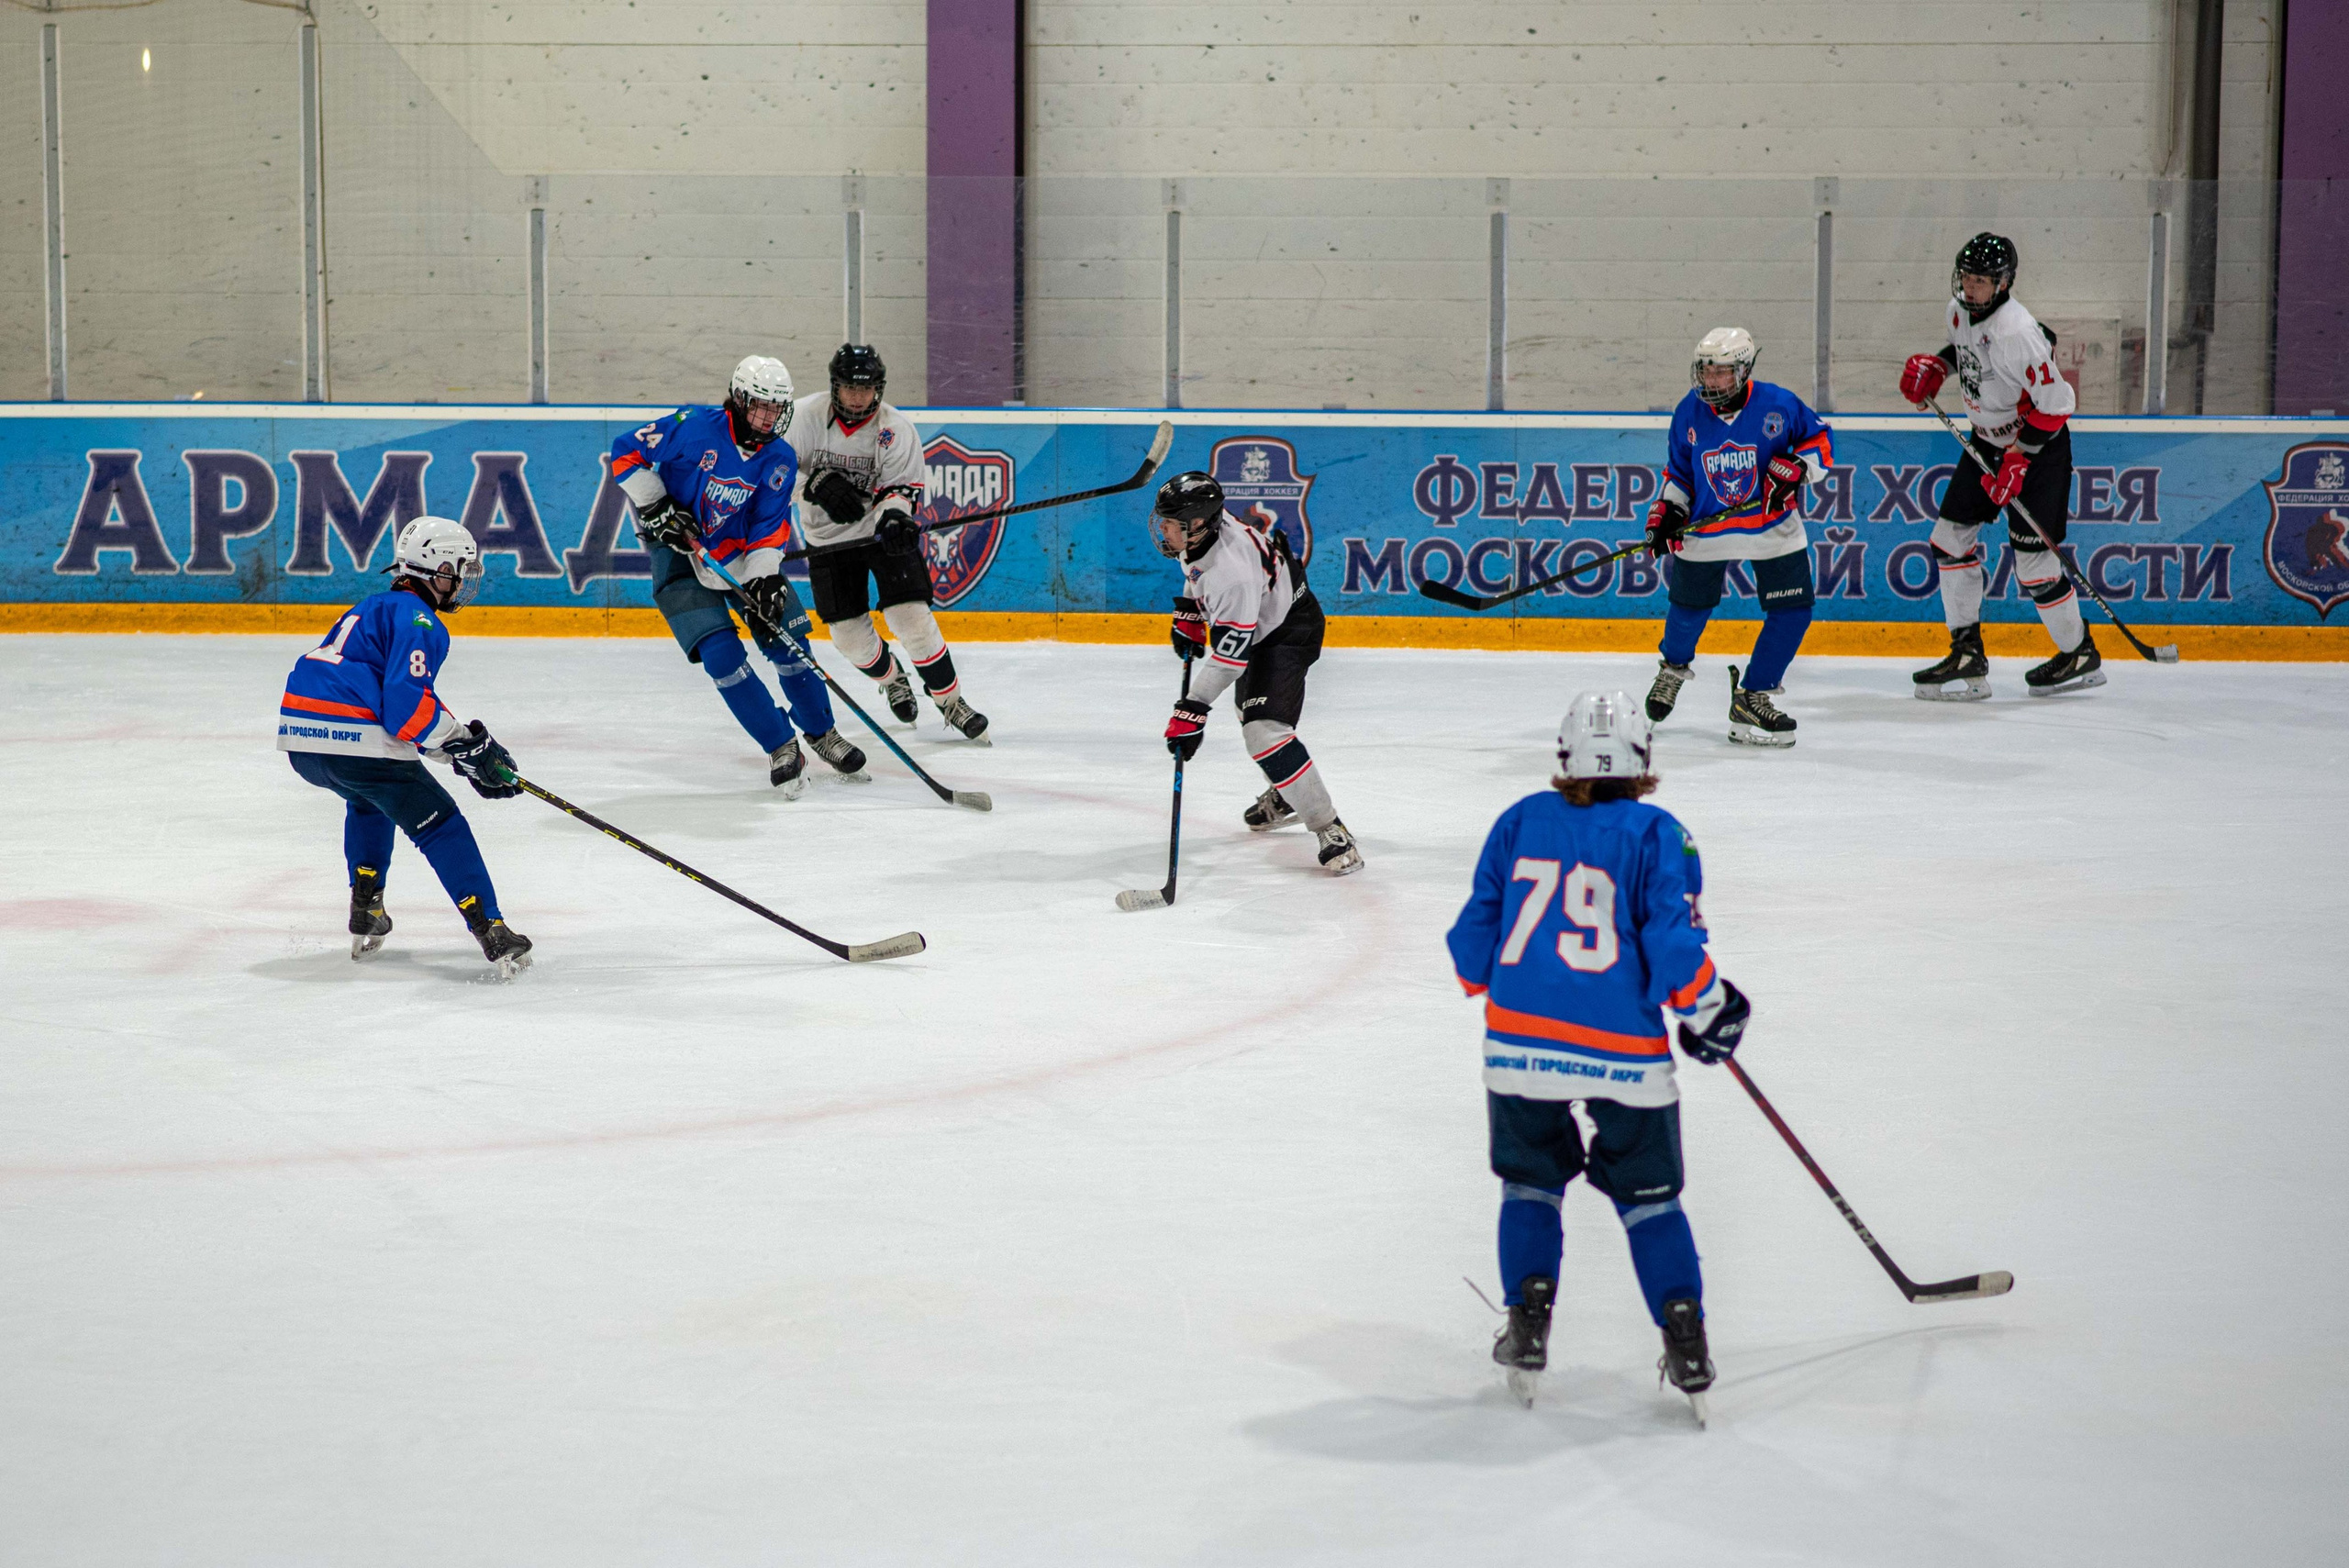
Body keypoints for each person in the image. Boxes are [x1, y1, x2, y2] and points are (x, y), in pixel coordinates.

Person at [1445, 692, 1752, 1418]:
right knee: (1650, 1202)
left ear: (1564, 757)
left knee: (1529, 1188)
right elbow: (1675, 944)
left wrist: (1498, 978)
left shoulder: (1519, 820)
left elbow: (1469, 951)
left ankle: (1527, 1325)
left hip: (1519, 1048)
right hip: (1627, 1055)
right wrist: (1709, 1006)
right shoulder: (1659, 832)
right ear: (1644, 761)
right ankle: (1686, 1339)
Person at [276, 516, 534, 978]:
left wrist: (458, 750)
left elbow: (396, 704)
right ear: (438, 569)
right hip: (356, 742)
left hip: (304, 743)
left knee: (369, 799)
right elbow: (405, 710)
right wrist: (463, 744)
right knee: (442, 826)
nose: (463, 580)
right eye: (460, 569)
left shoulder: (371, 607)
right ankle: (492, 931)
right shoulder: (422, 621)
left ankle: (367, 908)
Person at [607, 354, 868, 797]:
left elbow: (769, 525)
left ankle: (821, 731)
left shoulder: (780, 457)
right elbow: (624, 451)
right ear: (739, 400)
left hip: (743, 557)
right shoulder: (692, 425)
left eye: (776, 408)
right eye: (760, 406)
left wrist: (765, 577)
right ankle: (782, 745)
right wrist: (656, 505)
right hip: (679, 553)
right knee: (721, 657)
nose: (768, 418)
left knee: (788, 640)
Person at [1901, 232, 2099, 699]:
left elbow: (2058, 404)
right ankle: (1967, 655)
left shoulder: (2018, 332)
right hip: (1985, 445)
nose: (1970, 287)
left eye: (1981, 280)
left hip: (2038, 450)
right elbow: (1966, 351)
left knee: (2034, 567)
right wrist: (1939, 368)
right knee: (1948, 541)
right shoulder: (1958, 311)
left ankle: (2079, 654)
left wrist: (2021, 455)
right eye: (1966, 277)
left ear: (2004, 283)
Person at [1151, 472, 1361, 875]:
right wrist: (1192, 608)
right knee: (1249, 714)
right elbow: (1197, 572)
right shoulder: (1205, 532)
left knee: (1264, 730)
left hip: (1286, 630)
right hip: (1267, 614)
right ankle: (1289, 792)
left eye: (1171, 522)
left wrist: (1191, 709)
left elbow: (1230, 660)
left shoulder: (1232, 574)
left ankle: (1329, 828)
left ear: (1197, 525)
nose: (1162, 528)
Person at [1642, 327, 1835, 747]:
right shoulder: (1687, 412)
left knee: (1794, 611)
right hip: (1709, 528)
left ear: (1744, 370)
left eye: (1722, 372)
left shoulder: (1779, 404)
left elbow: (1820, 440)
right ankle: (1672, 669)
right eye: (1707, 371)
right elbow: (1679, 472)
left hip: (1771, 526)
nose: (1712, 381)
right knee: (1687, 612)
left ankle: (1754, 694)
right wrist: (1669, 511)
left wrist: (1799, 468)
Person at [790, 343, 990, 742]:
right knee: (848, 637)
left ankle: (951, 701)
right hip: (827, 540)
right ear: (835, 387)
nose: (859, 397)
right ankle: (894, 679)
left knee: (911, 618)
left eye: (867, 389)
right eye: (850, 388)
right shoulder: (803, 418)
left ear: (879, 389)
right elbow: (773, 475)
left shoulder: (895, 428)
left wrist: (895, 516)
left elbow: (898, 489)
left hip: (880, 535)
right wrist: (810, 484)